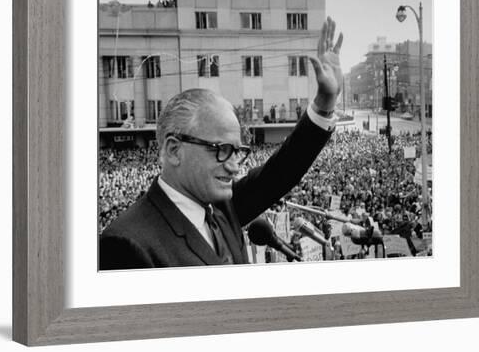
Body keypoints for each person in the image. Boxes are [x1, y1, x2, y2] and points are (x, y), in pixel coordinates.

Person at [99, 17, 344, 269]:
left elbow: (280, 173)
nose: (234, 167)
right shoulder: (127, 243)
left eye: (237, 151)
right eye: (222, 150)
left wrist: (324, 104)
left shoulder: (223, 207)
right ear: (174, 150)